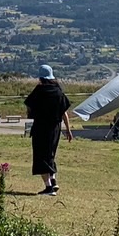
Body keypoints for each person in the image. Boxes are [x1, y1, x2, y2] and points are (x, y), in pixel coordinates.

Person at [25, 64, 72, 195]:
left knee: (41, 157)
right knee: (50, 154)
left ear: (41, 77)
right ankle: (54, 181)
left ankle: (48, 187)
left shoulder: (39, 91)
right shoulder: (58, 91)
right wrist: (68, 130)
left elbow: (29, 106)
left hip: (41, 127)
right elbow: (64, 113)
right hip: (55, 128)